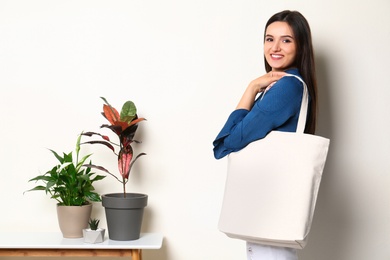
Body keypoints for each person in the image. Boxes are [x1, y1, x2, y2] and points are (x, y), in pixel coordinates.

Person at [212, 10, 317, 260]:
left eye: (286, 40)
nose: (275, 47)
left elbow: (228, 143)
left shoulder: (288, 86)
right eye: (269, 39)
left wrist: (251, 87)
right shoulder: (285, 85)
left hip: (270, 208)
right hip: (268, 207)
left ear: (300, 46)